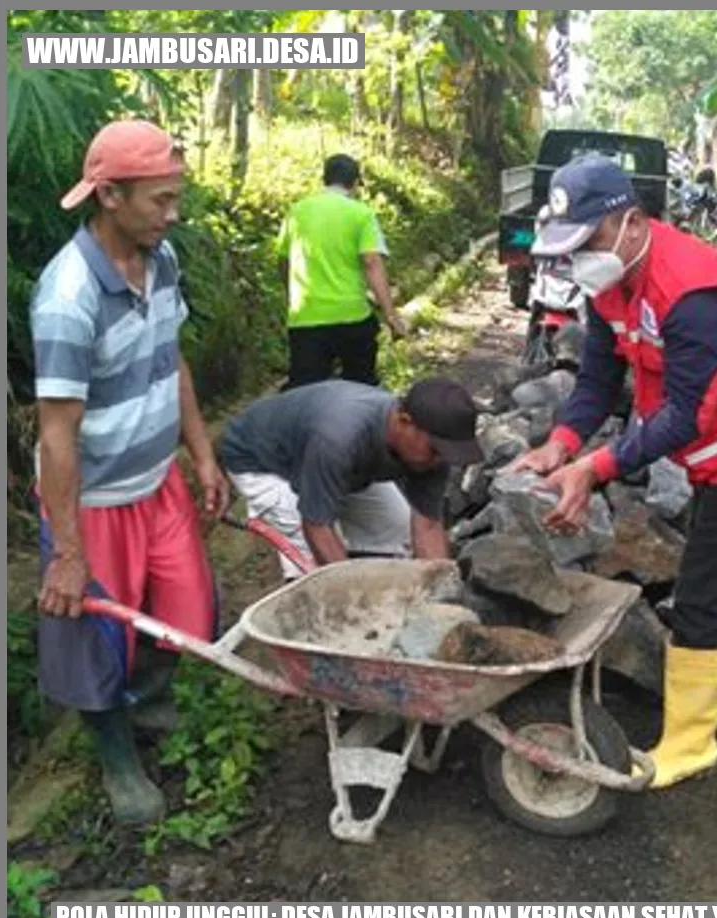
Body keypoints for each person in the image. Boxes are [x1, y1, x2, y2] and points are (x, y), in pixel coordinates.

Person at [509, 155, 717, 789]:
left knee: (702, 593)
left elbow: (685, 415)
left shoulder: (692, 291)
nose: (578, 258)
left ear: (630, 222)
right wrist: (561, 443)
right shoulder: (612, 281)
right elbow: (598, 379)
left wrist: (595, 468)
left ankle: (690, 742)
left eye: (586, 240)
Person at [32, 119, 229, 826]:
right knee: (95, 639)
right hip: (94, 498)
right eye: (160, 201)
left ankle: (148, 696)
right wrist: (68, 552)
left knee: (186, 611)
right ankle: (117, 756)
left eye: (175, 199)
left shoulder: (163, 259)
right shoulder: (67, 297)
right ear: (110, 195)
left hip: (157, 479)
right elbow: (56, 436)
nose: (172, 215)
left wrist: (201, 454)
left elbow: (171, 360)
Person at [216, 378, 484, 578]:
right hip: (263, 461)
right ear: (404, 421)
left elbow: (427, 525)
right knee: (310, 568)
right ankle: (314, 645)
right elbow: (317, 526)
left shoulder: (431, 451)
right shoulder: (339, 437)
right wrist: (352, 594)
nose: (440, 461)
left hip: (337, 466)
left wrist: (440, 598)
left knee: (397, 531)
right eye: (435, 450)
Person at [276, 154, 407, 390]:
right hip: (352, 317)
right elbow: (371, 263)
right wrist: (391, 316)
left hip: (306, 317)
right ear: (355, 183)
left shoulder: (296, 211)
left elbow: (283, 261)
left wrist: (291, 296)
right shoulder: (361, 214)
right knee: (360, 389)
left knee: (305, 393)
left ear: (324, 179)